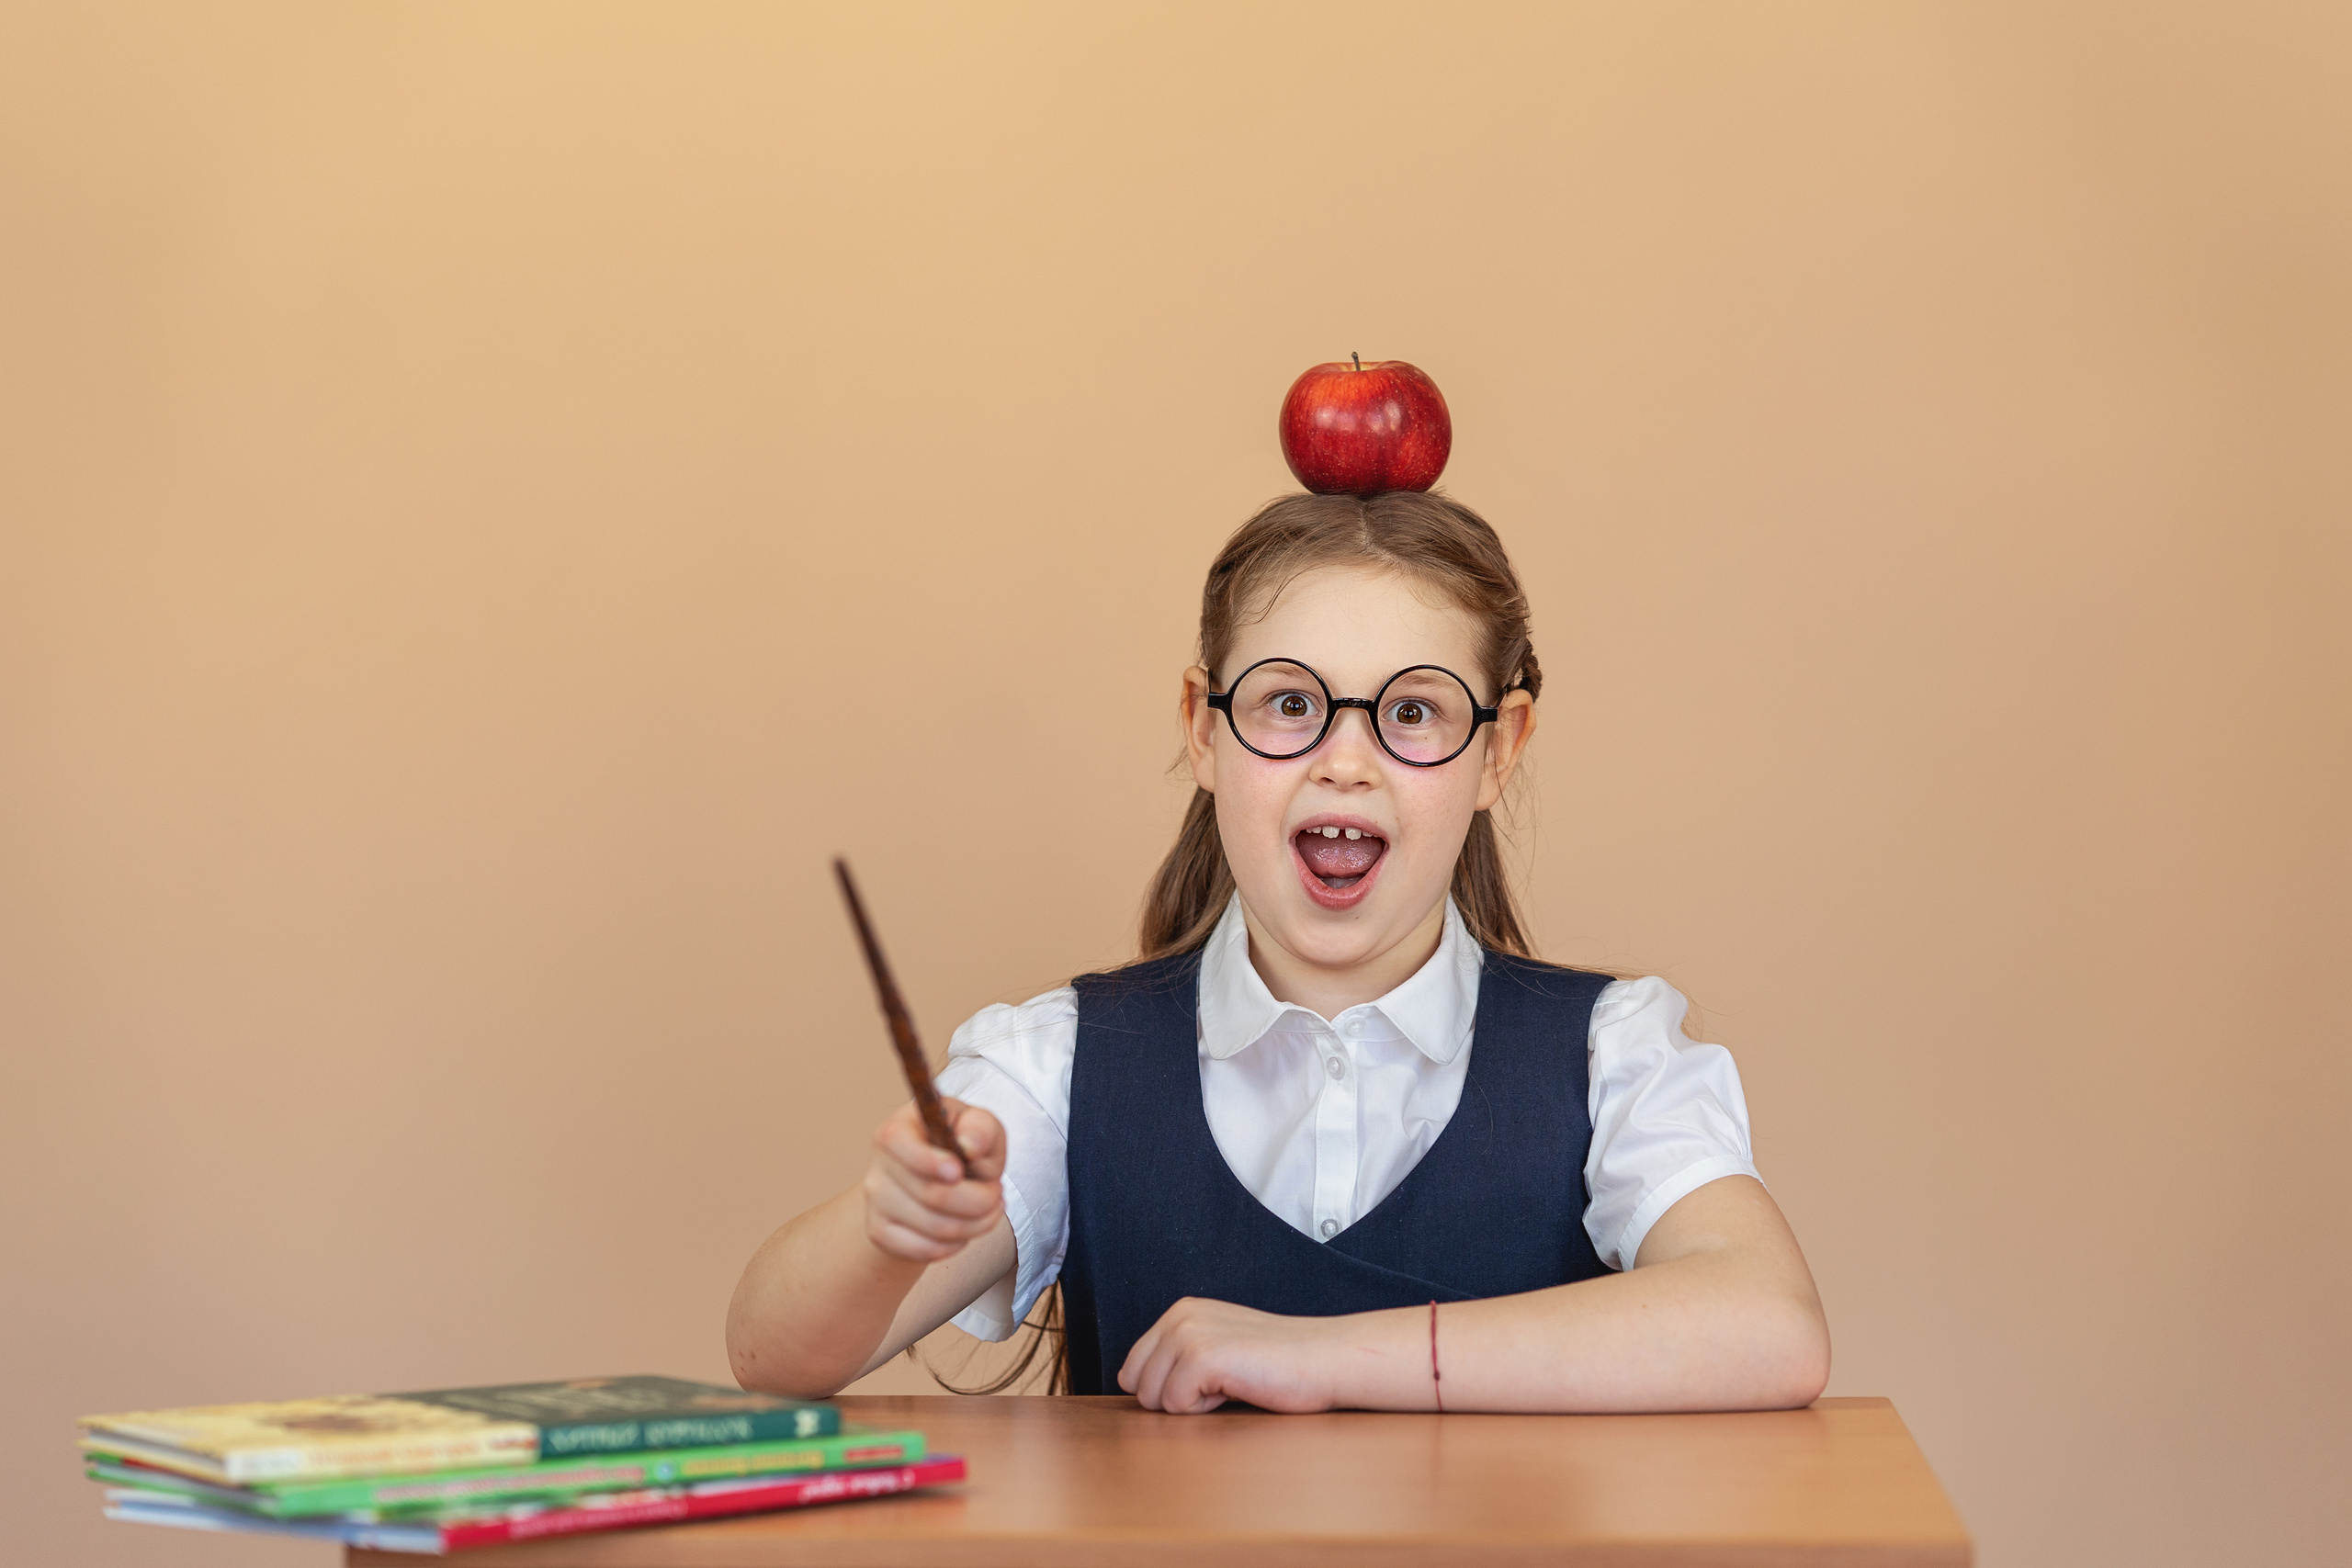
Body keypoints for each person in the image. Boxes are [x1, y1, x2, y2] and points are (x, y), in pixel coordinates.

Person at [727, 491, 1829, 1415]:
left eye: (1413, 712)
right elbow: (773, 1358)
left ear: (1500, 752)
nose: (1345, 763)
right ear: (1203, 732)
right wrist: (884, 1230)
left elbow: (1768, 1325)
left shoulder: (1610, 1054)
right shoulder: (1063, 1063)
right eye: (1291, 703)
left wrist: (1317, 1357)